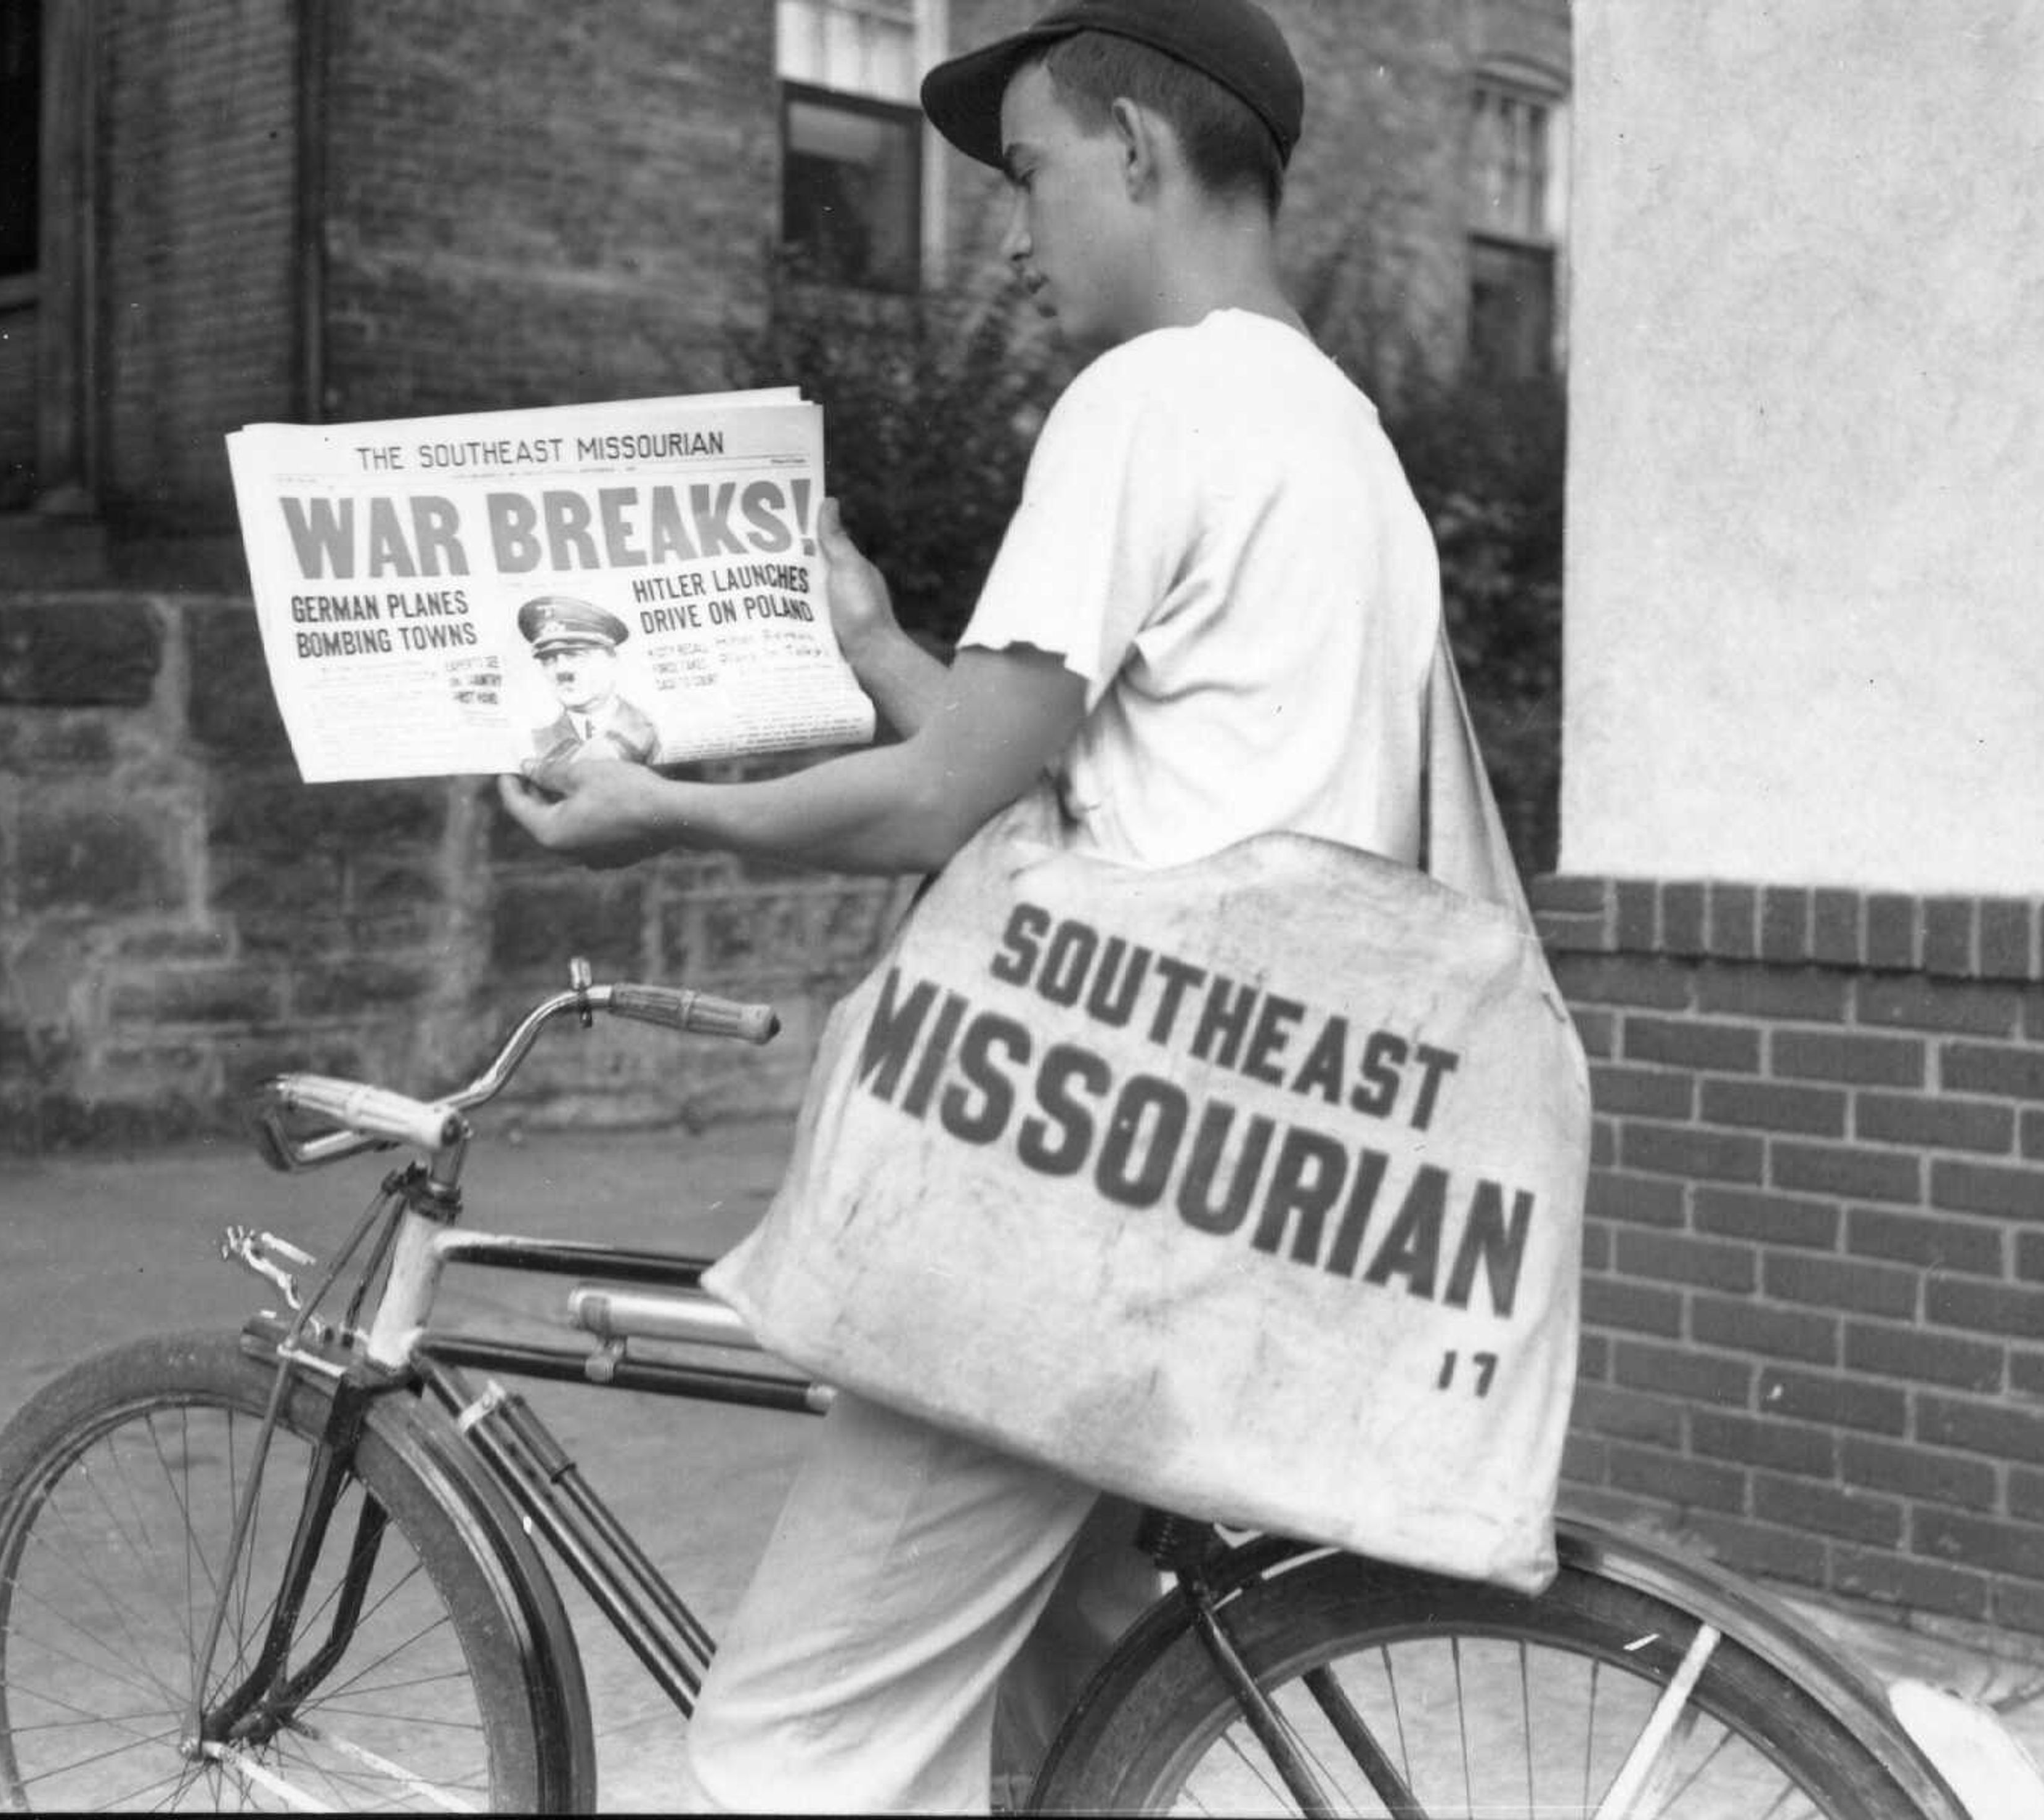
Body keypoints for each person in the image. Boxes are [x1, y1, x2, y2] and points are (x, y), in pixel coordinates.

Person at [498, 0, 1443, 1807]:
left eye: (1025, 174)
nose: (1011, 236)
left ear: (1139, 154)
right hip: (1247, 1169)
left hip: (1076, 1204)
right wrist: (865, 643)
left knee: (799, 1747)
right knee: (1066, 1713)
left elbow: (942, 801)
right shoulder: (1336, 435)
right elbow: (1057, 780)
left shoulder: (1145, 398)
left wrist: (662, 812)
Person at [513, 593, 662, 773]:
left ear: (612, 660)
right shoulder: (533, 743)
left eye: (576, 655)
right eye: (548, 659)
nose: (561, 671)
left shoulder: (654, 729)